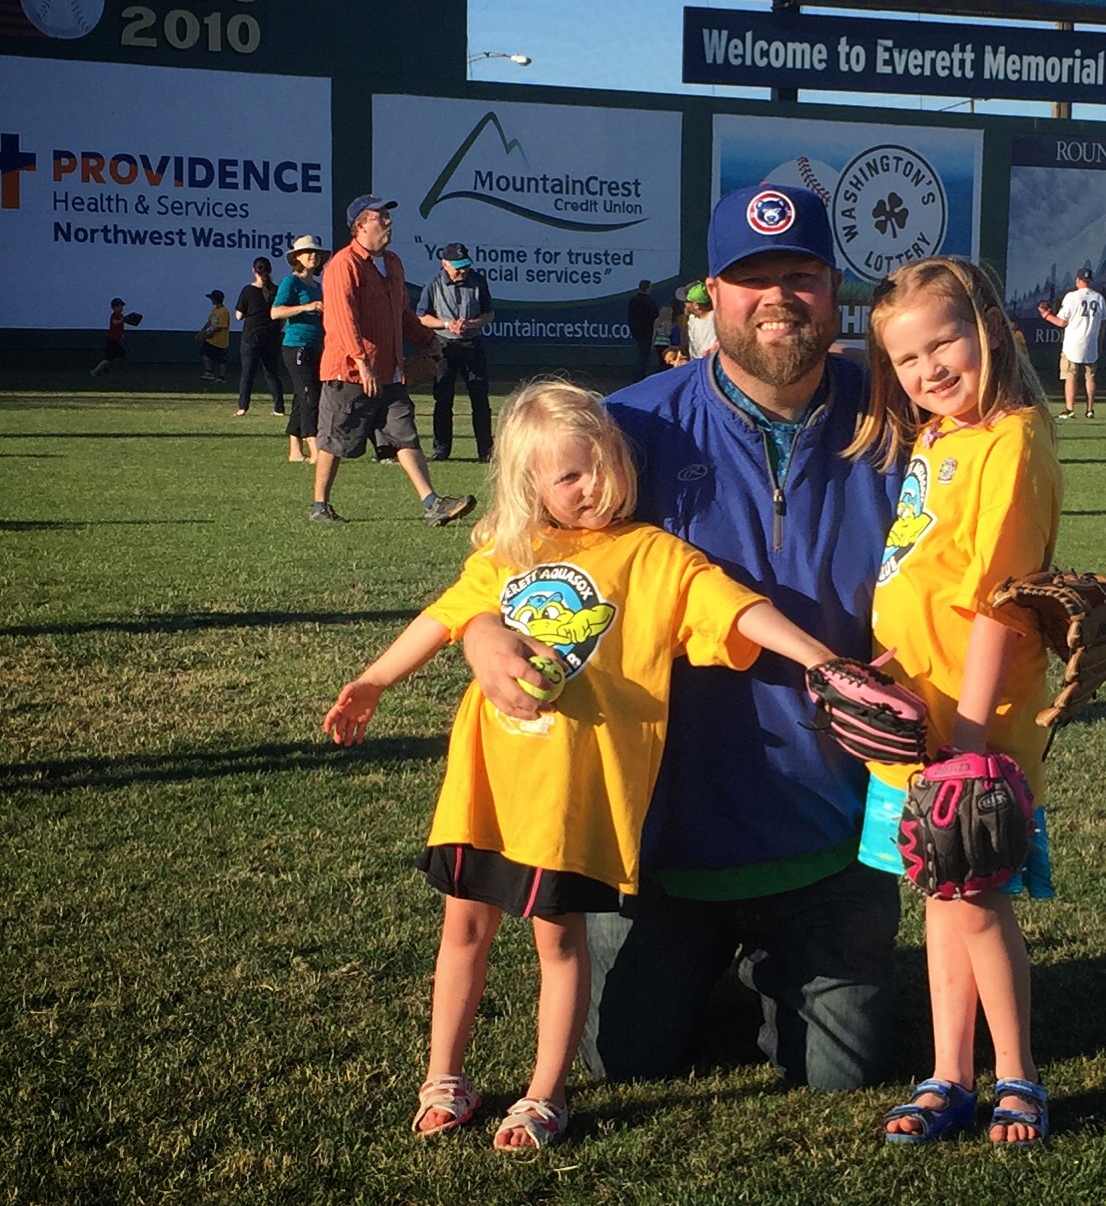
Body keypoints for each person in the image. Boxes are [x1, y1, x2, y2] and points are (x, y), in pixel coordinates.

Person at [462, 184, 904, 1091]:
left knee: (845, 1076)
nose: (777, 298)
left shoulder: (897, 419)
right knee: (623, 1060)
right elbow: (511, 561)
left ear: (835, 288)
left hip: (831, 830)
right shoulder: (630, 426)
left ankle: (787, 969)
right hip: (660, 837)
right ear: (711, 294)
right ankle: (720, 966)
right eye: (751, 279)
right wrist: (480, 634)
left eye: (800, 276)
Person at [321, 381, 841, 1150]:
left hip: (572, 801)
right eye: (569, 475)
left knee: (558, 944)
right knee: (462, 930)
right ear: (531, 485)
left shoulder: (654, 556)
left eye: (603, 464)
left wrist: (823, 660)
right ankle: (444, 1075)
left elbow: (736, 609)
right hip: (485, 787)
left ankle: (545, 1093)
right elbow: (442, 619)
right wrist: (371, 682)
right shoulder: (508, 556)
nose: (593, 485)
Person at [848, 257, 1062, 1147]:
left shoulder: (1011, 440)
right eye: (906, 358)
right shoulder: (938, 437)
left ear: (993, 332)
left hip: (974, 723)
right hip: (917, 715)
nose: (929, 368)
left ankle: (1018, 1076)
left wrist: (969, 740)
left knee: (975, 900)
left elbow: (998, 604)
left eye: (945, 343)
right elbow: (925, 575)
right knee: (938, 894)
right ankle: (948, 1073)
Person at [310, 195, 475, 527]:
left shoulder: (393, 263)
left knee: (404, 433)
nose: (388, 221)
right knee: (335, 439)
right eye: (380, 217)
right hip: (349, 372)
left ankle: (432, 503)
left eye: (388, 216)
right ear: (360, 225)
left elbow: (402, 314)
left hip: (389, 372)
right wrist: (362, 362)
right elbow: (342, 319)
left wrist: (429, 341)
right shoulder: (343, 265)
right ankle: (319, 506)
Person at [416, 243, 495, 463]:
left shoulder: (478, 281)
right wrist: (446, 324)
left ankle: (486, 451)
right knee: (443, 400)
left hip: (473, 345)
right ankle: (441, 450)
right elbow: (422, 317)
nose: (463, 271)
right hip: (445, 346)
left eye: (466, 266)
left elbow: (489, 314)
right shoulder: (433, 284)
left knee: (480, 400)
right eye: (458, 267)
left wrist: (471, 323)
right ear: (445, 264)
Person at [272, 235, 328, 464]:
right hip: (296, 345)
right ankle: (315, 449)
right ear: (297, 257)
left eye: (316, 252)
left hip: (316, 346)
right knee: (309, 396)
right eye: (308, 252)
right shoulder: (291, 282)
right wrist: (305, 307)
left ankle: (295, 451)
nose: (313, 256)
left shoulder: (317, 286)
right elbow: (275, 312)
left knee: (301, 396)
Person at [1036, 266, 1106, 419]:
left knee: (1070, 376)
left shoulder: (1072, 297)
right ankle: (1090, 410)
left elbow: (1062, 322)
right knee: (1090, 377)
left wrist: (1046, 315)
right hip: (1091, 343)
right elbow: (1103, 323)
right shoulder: (1099, 298)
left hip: (1073, 344)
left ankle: (1070, 409)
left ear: (1078, 280)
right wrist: (1099, 343)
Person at [233, 257, 286, 417]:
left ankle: (243, 407)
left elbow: (238, 315)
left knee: (247, 373)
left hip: (252, 337)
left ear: (253, 270)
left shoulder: (248, 291)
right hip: (272, 337)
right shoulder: (276, 291)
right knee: (271, 373)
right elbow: (281, 317)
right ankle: (279, 407)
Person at [90, 297, 134, 377]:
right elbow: (115, 323)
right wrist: (123, 320)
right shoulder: (114, 315)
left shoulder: (120, 315)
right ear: (113, 307)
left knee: (117, 356)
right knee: (109, 358)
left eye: (121, 306)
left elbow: (120, 326)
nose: (121, 308)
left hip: (115, 340)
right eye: (119, 306)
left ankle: (106, 368)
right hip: (111, 340)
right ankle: (95, 371)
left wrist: (122, 333)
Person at [626, 279, 658, 378]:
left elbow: (631, 317)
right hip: (646, 332)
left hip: (636, 331)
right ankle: (639, 375)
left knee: (643, 353)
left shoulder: (634, 300)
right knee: (644, 354)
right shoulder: (649, 302)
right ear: (648, 288)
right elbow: (654, 316)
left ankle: (639, 374)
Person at [199, 290, 229, 382]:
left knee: (221, 359)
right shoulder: (215, 310)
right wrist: (203, 331)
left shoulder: (224, 312)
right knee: (205, 352)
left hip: (220, 340)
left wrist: (208, 334)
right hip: (211, 339)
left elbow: (220, 326)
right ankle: (209, 372)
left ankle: (221, 377)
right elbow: (210, 321)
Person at [683, 280, 717, 358]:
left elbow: (707, 354)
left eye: (687, 301)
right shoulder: (692, 319)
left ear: (696, 305)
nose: (684, 304)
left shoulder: (715, 321)